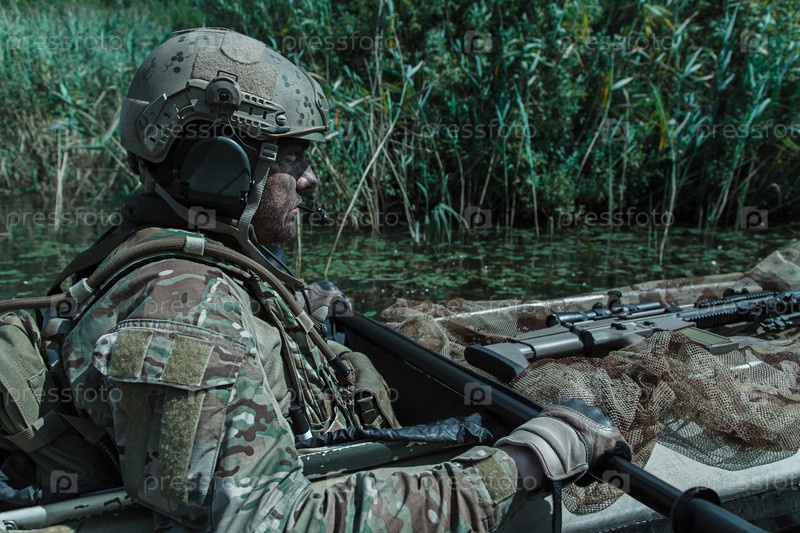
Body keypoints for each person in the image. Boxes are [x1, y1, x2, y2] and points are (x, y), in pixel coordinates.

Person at [60, 28, 631, 531]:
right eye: (290, 156)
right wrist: (521, 467)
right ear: (220, 164)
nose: (308, 178)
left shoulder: (173, 248)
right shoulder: (185, 306)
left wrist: (290, 314)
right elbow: (275, 522)